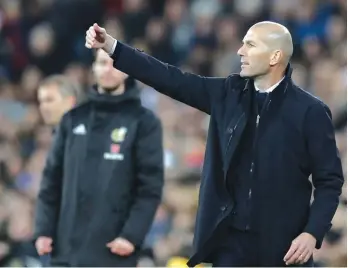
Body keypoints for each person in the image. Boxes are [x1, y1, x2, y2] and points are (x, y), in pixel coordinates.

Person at [84, 21, 344, 267]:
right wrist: (113, 47)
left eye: (250, 45)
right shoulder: (227, 94)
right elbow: (170, 78)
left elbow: (329, 180)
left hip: (284, 248)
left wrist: (312, 233)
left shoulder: (310, 112)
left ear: (275, 57)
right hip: (230, 245)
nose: (240, 51)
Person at [34, 48, 164, 266]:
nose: (108, 70)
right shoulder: (73, 119)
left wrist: (131, 236)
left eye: (115, 64)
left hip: (113, 252)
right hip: (66, 252)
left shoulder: (144, 122)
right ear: (93, 68)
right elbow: (51, 181)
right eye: (102, 63)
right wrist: (44, 230)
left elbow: (150, 188)